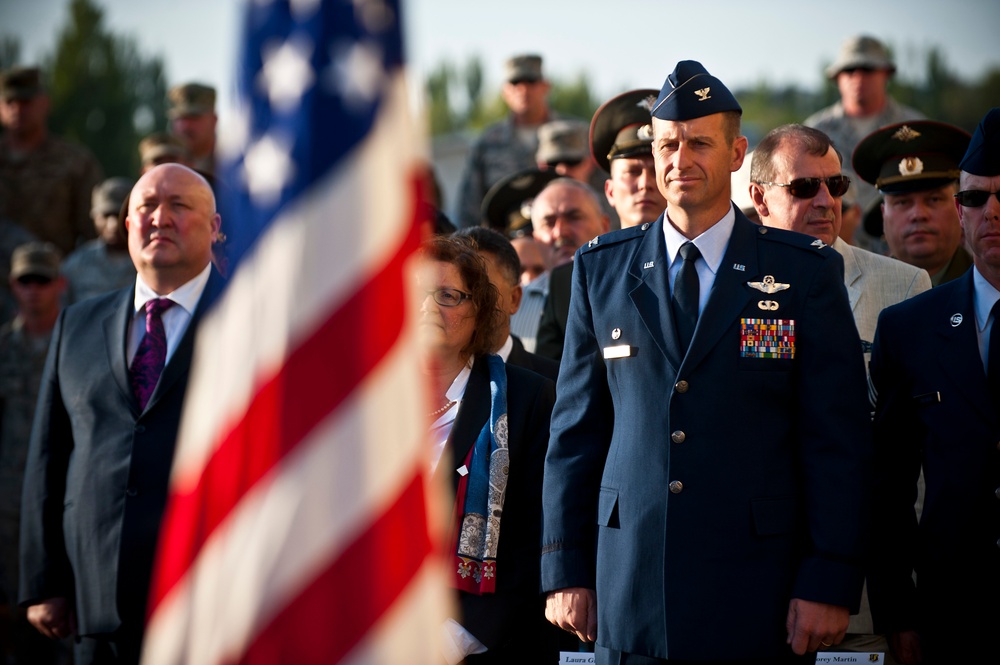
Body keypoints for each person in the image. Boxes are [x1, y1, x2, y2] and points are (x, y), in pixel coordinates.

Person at [541, 60, 872, 663]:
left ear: (736, 151)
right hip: (629, 582)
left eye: (699, 143)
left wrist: (829, 577)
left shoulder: (803, 271)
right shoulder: (601, 269)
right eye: (667, 143)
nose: (679, 159)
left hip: (757, 585)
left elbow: (836, 438)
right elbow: (575, 432)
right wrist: (565, 566)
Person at [18, 163, 225, 665]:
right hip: (96, 609)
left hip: (213, 608)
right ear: (126, 224)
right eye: (147, 207)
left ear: (216, 228)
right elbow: (51, 453)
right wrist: (44, 582)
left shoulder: (252, 321)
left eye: (180, 205)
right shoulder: (79, 325)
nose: (161, 218)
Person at [866, 107, 1000, 665]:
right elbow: (891, 488)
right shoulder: (909, 327)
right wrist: (897, 612)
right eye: (975, 198)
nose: (991, 211)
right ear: (962, 211)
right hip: (954, 617)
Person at [417, 236, 560, 664]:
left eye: (448, 296)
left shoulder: (527, 398)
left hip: (479, 644)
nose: (428, 308)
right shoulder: (366, 402)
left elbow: (534, 537)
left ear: (477, 311)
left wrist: (453, 639)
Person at [750, 124, 931, 367]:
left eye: (836, 185)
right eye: (805, 187)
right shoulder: (726, 284)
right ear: (761, 199)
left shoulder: (904, 286)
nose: (826, 201)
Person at [0, 242, 70, 665]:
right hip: (10, 504)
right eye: (26, 281)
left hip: (65, 498)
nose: (34, 290)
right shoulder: (3, 349)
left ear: (60, 284)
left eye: (42, 280)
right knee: (16, 610)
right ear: (12, 286)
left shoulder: (80, 340)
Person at [804, 35, 924, 251]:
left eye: (867, 68)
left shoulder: (915, 128)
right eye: (849, 70)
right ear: (837, 78)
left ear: (886, 74)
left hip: (904, 251)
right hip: (834, 252)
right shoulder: (814, 133)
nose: (858, 76)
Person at [853, 120, 973, 286]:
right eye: (902, 202)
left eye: (934, 199)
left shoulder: (991, 286)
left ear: (960, 209)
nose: (918, 214)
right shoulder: (856, 295)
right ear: (883, 215)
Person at [0, 66, 103, 256]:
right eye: (10, 102)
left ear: (45, 103)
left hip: (53, 276)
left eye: (25, 101)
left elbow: (94, 233)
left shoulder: (76, 162)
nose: (17, 109)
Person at [454, 54, 559, 228]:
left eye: (531, 82)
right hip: (504, 247)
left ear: (545, 86)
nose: (523, 90)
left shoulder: (572, 136)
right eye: (515, 83)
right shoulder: (486, 144)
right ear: (505, 91)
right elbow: (469, 210)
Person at [453, 226, 559, 383]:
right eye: (449, 293)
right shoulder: (413, 386)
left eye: (479, 288)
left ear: (514, 299)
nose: (465, 300)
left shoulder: (555, 383)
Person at [531, 178, 610, 362]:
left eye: (573, 217)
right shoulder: (515, 307)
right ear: (535, 238)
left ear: (605, 225)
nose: (561, 232)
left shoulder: (625, 288)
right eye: (549, 223)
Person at [589, 88, 668, 229]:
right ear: (610, 191)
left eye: (656, 172)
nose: (645, 184)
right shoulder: (594, 252)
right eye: (632, 172)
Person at [61, 177, 137, 305]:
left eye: (119, 215)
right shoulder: (76, 265)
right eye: (106, 215)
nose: (112, 224)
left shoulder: (150, 262)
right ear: (94, 217)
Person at [536, 119, 620, 230]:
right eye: (553, 163)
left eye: (572, 162)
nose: (562, 170)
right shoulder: (529, 211)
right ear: (541, 166)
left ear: (589, 163)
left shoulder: (614, 208)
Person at [167, 82, 217, 176]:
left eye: (194, 117)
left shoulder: (231, 162)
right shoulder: (163, 163)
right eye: (181, 118)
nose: (186, 126)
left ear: (214, 120)